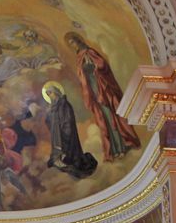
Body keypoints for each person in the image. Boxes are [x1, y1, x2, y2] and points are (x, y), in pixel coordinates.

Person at [65, 32, 140, 162]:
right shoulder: (79, 57)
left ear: (78, 40)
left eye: (74, 41)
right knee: (104, 120)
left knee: (112, 116)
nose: (73, 44)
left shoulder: (89, 52)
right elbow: (82, 78)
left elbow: (102, 65)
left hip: (103, 89)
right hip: (94, 91)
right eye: (71, 43)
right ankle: (114, 150)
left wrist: (93, 68)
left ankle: (124, 145)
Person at [43, 81, 97, 178]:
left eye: (50, 93)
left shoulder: (64, 104)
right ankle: (59, 160)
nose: (50, 96)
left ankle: (67, 160)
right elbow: (49, 121)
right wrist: (48, 114)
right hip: (57, 133)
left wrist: (64, 130)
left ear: (55, 92)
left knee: (69, 150)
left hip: (65, 132)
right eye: (47, 94)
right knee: (58, 148)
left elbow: (68, 119)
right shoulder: (53, 107)